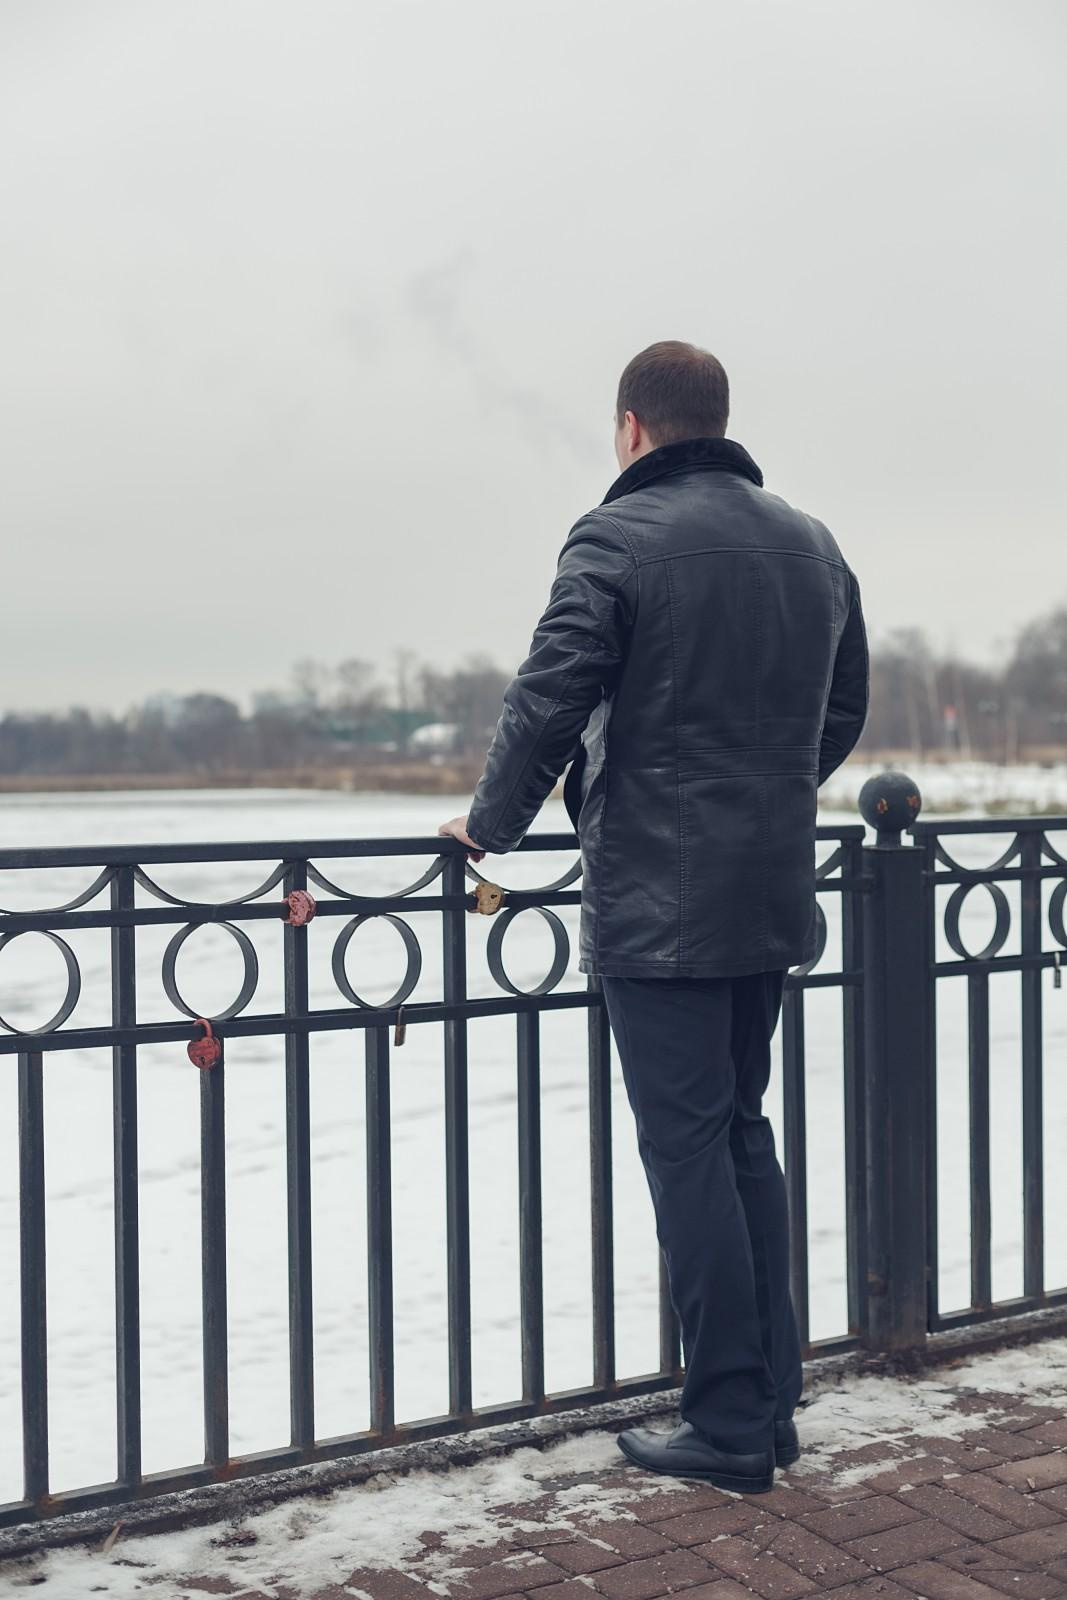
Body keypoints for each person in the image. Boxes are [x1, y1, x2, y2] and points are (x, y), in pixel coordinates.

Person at [437, 339, 869, 1493]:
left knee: (687, 1149)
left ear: (632, 427)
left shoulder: (613, 535)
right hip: (766, 887)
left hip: (656, 899)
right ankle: (766, 1409)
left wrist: (490, 824)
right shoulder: (811, 543)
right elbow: (840, 710)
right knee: (739, 1134)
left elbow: (551, 690)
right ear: (715, 422)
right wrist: (760, 795)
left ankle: (728, 1421)